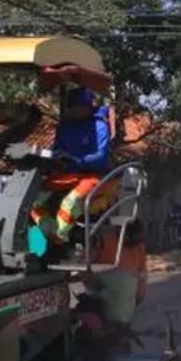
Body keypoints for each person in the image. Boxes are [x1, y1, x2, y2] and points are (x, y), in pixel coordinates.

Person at [31, 87, 111, 246]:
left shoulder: (99, 125)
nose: (71, 110)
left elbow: (101, 156)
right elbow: (57, 151)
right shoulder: (65, 127)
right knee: (33, 198)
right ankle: (47, 233)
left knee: (71, 201)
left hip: (95, 176)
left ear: (85, 107)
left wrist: (79, 160)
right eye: (70, 106)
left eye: (75, 106)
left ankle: (60, 240)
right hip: (69, 175)